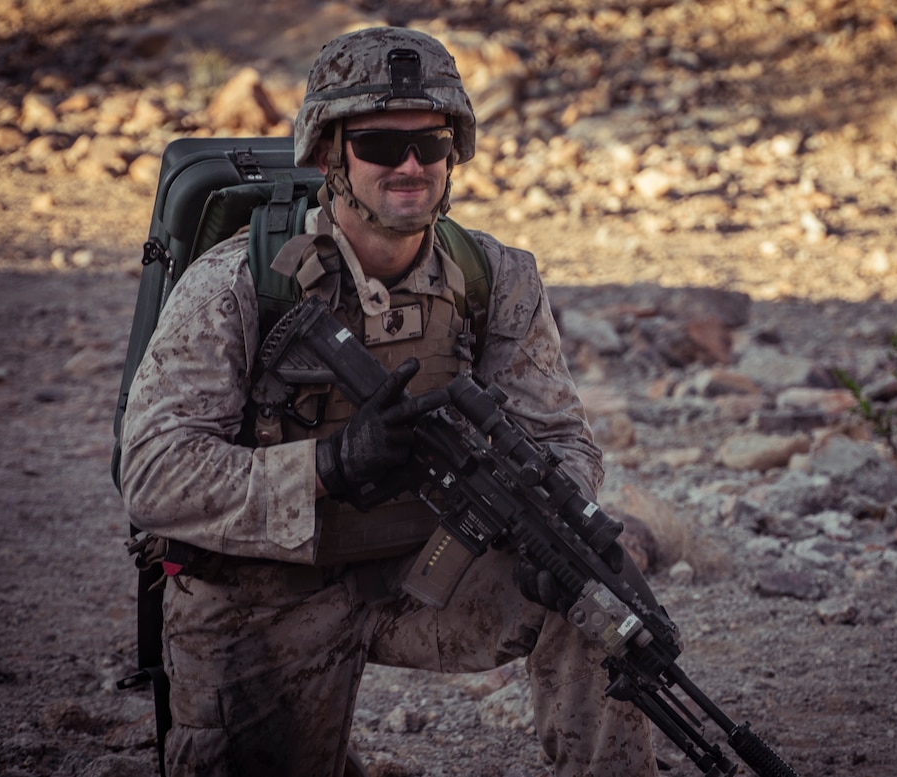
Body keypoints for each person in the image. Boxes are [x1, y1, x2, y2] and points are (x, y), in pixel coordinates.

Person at [120, 26, 659, 777]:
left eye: (430, 145)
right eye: (378, 144)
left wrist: (553, 525)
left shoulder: (494, 278)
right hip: (266, 588)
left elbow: (562, 437)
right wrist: (327, 465)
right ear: (328, 156)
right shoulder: (235, 286)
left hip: (430, 568)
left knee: (601, 590)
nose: (409, 166)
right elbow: (151, 473)